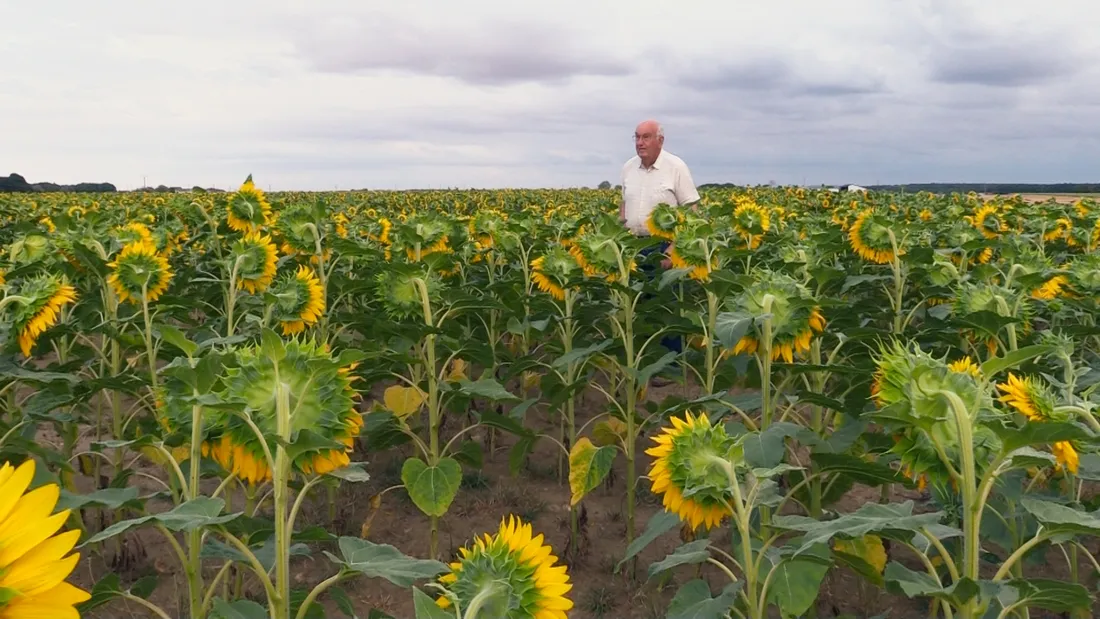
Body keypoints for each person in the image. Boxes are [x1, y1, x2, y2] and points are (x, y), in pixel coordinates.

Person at [618, 119, 701, 384]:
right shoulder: (628, 168)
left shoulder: (675, 167)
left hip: (664, 246)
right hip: (634, 244)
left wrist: (675, 248)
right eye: (637, 137)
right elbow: (624, 205)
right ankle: (644, 362)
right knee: (639, 304)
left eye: (646, 137)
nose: (640, 143)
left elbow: (691, 210)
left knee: (666, 305)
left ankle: (671, 368)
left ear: (660, 141)